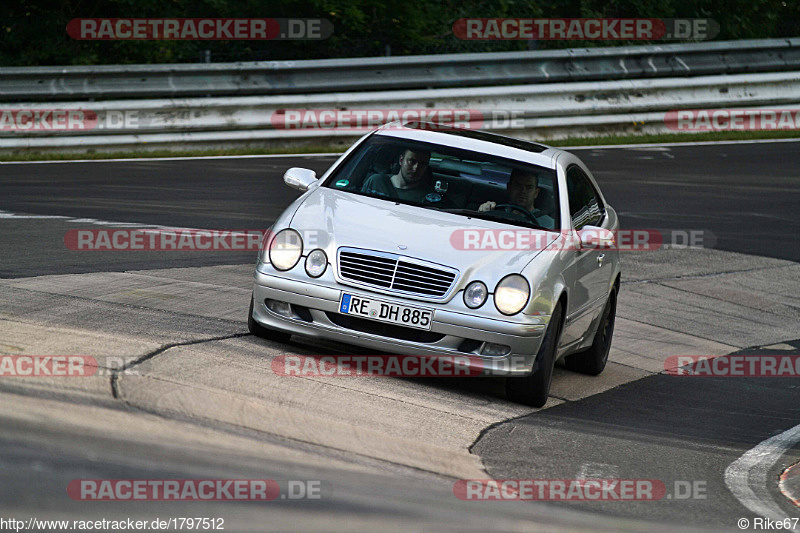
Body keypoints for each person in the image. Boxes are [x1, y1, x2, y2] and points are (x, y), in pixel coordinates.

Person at [478, 169, 554, 228]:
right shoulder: (494, 212)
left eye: (529, 187)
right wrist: (483, 213)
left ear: (536, 193)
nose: (523, 191)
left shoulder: (549, 224)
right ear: (509, 188)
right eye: (518, 186)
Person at [361, 148, 435, 203]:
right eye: (412, 161)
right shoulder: (375, 182)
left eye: (422, 164)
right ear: (401, 160)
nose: (416, 168)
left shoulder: (429, 198)